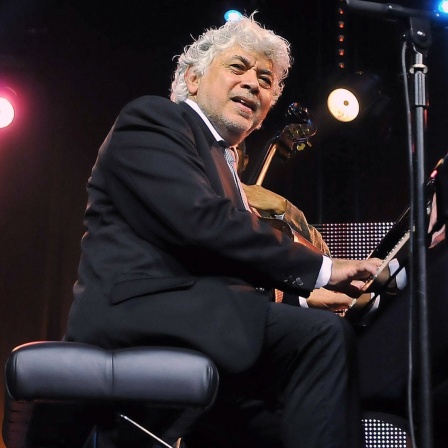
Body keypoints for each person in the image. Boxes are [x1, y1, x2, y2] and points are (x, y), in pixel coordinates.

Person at [65, 14, 383, 448]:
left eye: (266, 79)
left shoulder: (226, 160)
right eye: (239, 67)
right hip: (143, 316)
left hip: (199, 317)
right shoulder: (155, 119)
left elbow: (220, 263)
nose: (254, 83)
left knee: (276, 426)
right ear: (192, 79)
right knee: (322, 340)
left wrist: (300, 297)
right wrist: (322, 270)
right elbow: (202, 223)